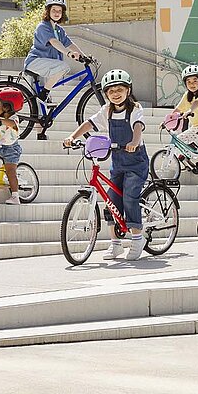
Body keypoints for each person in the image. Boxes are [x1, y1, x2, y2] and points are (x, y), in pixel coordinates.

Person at [64, 69, 149, 261]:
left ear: (128, 90)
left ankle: (137, 239)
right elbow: (89, 124)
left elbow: (138, 126)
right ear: (106, 94)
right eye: (111, 91)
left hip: (136, 162)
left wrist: (134, 141)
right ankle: (115, 244)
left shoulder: (135, 109)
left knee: (129, 197)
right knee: (111, 199)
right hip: (118, 161)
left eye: (120, 89)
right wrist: (72, 136)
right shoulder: (107, 110)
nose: (115, 94)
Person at [24, 0, 84, 105]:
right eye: (54, 10)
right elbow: (54, 42)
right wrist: (69, 53)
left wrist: (84, 56)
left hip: (48, 65)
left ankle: (44, 95)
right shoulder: (43, 27)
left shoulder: (59, 30)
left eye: (59, 11)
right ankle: (44, 93)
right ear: (48, 11)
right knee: (63, 66)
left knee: (42, 108)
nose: (57, 13)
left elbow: (70, 44)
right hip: (35, 62)